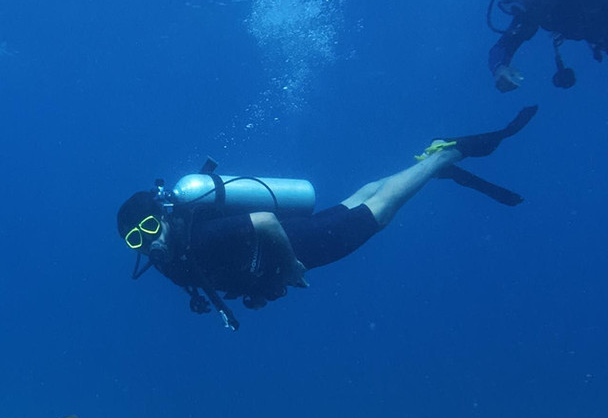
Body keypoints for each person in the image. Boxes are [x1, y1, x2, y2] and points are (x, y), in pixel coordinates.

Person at [117, 107, 537, 330]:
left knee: (379, 213)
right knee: (362, 200)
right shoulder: (170, 263)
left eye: (151, 228)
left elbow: (264, 221)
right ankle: (429, 162)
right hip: (300, 238)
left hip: (306, 243)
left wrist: (289, 266)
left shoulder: (199, 238)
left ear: (165, 217)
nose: (150, 243)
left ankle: (443, 156)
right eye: (137, 240)